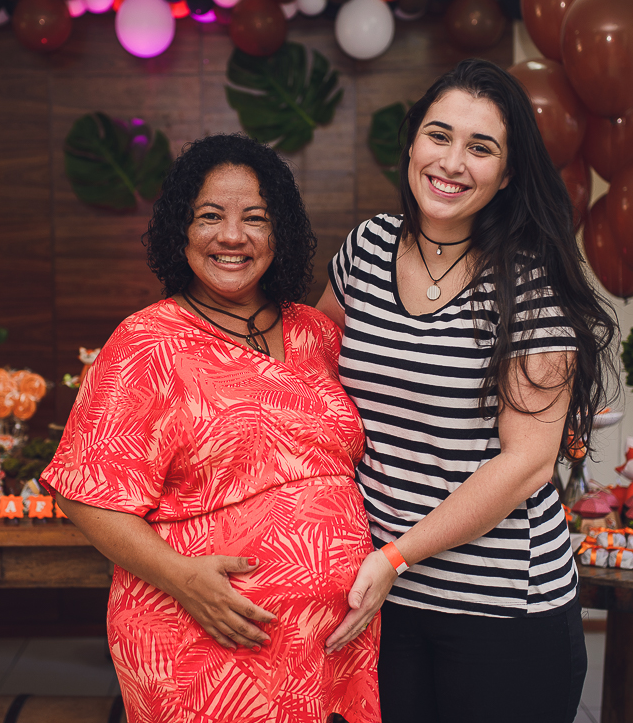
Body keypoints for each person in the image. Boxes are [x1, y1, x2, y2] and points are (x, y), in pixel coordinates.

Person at [316, 59, 618, 723]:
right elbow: (309, 379)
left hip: (502, 608)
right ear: (413, 144)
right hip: (382, 598)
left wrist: (396, 555)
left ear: (507, 174)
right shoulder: (366, 251)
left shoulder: (530, 287)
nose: (452, 162)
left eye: (480, 148)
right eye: (439, 136)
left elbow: (526, 464)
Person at [40, 133, 380, 723]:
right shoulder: (145, 343)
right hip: (199, 638)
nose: (232, 236)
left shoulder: (317, 333)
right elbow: (83, 492)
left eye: (255, 218)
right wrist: (185, 580)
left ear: (282, 234)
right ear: (181, 231)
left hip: (329, 650)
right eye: (209, 217)